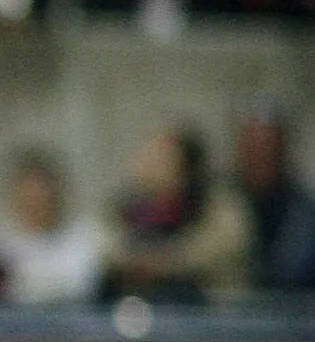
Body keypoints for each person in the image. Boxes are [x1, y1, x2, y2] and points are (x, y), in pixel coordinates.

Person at [106, 125, 251, 302]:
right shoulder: (128, 209)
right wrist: (134, 261)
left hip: (208, 311)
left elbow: (222, 247)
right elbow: (107, 248)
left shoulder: (216, 205)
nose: (146, 164)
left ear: (185, 164)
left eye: (161, 157)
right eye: (146, 155)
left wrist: (165, 261)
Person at [0, 146, 106, 305]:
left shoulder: (87, 237)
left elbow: (84, 283)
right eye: (28, 194)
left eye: (42, 192)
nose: (35, 201)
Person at [233, 101, 315, 291]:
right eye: (252, 148)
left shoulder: (304, 212)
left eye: (269, 148)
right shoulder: (220, 205)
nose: (261, 157)